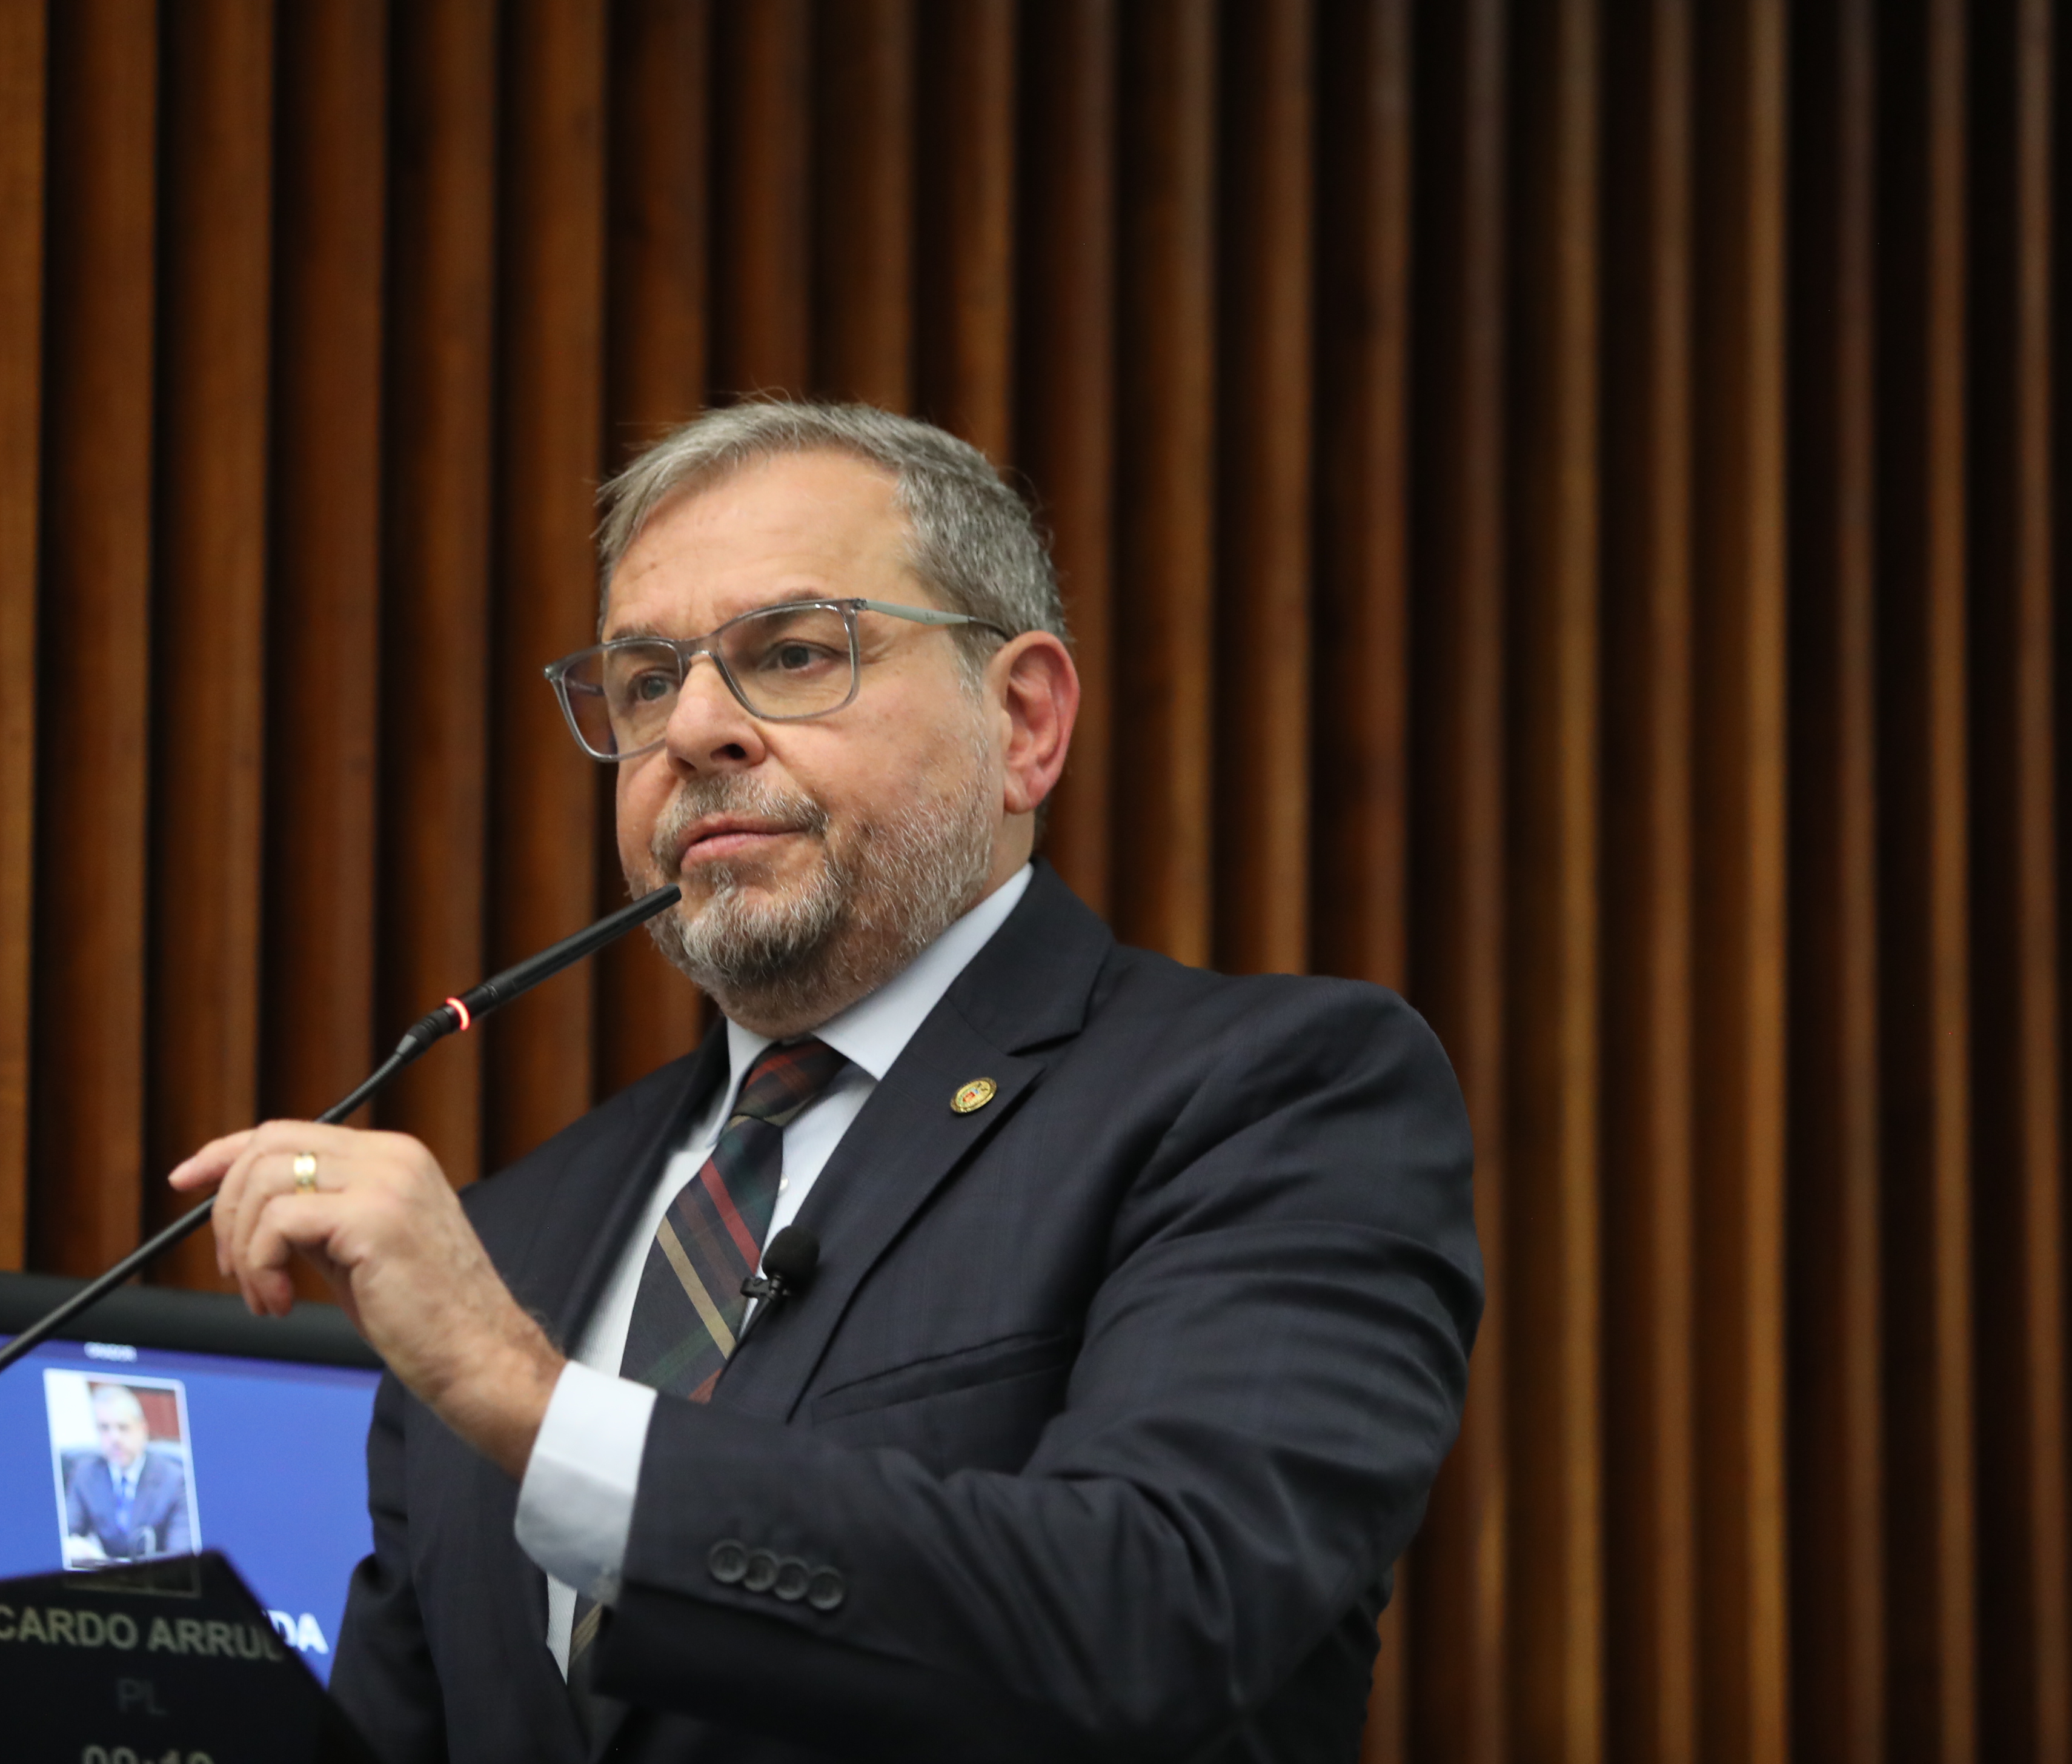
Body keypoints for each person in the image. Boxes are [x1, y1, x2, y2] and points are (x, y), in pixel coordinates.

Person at [167, 401, 1481, 1762]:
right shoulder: (508, 1237)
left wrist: (526, 1397)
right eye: (643, 682)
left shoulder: (1274, 1096)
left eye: (792, 653)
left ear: (1023, 720)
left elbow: (1166, 1612)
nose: (693, 730)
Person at [64, 1381, 194, 1563]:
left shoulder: (176, 1480)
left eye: (123, 1427)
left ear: (143, 1430)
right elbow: (66, 1534)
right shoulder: (85, 1473)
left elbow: (181, 1556)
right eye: (105, 1428)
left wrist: (109, 1564)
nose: (115, 1438)